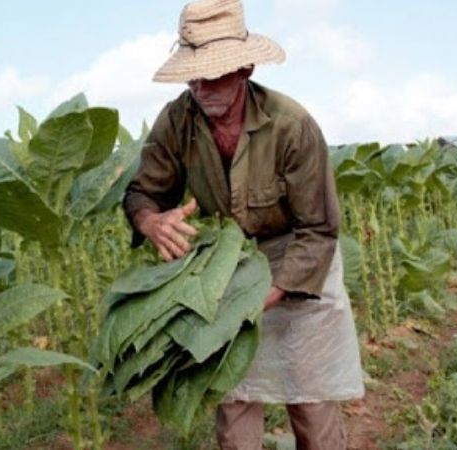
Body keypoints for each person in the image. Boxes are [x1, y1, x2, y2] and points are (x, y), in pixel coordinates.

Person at [122, 0, 365, 448]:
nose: (200, 86)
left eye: (213, 73)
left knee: (310, 397)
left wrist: (270, 292)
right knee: (234, 398)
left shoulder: (292, 125)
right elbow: (142, 193)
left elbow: (319, 229)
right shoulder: (176, 120)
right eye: (192, 74)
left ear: (245, 68)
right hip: (229, 267)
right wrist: (151, 221)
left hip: (298, 264)